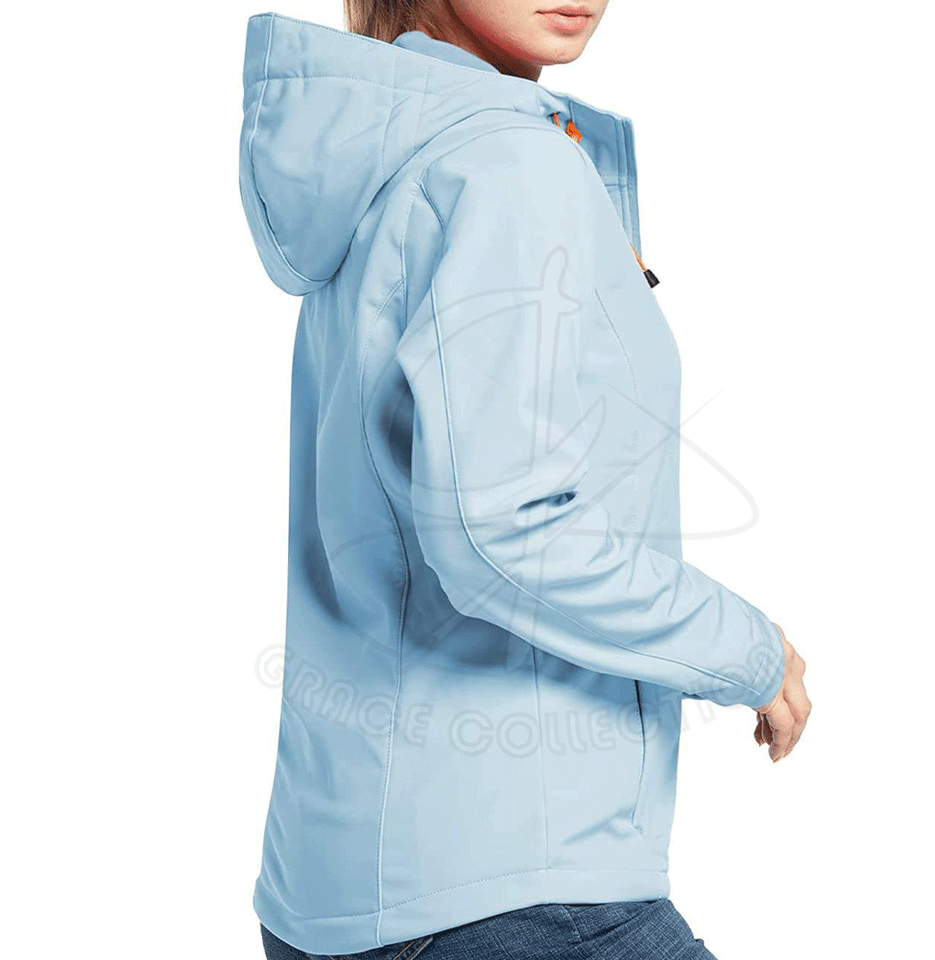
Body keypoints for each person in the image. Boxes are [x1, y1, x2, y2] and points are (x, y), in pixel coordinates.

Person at [239, 3, 812, 958]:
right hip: (513, 896)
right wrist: (751, 651)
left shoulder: (390, 157)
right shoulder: (506, 163)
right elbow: (505, 529)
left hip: (335, 895)